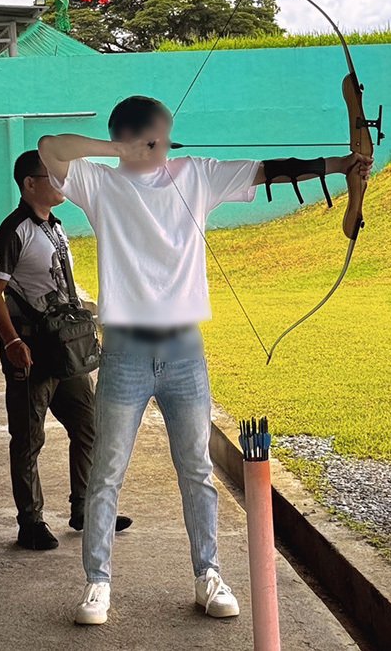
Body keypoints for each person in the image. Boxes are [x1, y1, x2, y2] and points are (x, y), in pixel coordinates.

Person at [39, 96, 372, 624]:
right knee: (106, 472)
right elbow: (49, 148)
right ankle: (97, 583)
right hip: (125, 351)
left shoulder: (195, 174)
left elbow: (271, 170)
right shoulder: (99, 183)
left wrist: (342, 165)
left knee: (196, 469)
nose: (168, 145)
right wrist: (117, 149)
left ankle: (208, 575)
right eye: (158, 136)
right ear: (135, 138)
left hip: (184, 352)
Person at [0, 149, 132, 551]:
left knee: (88, 425)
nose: (62, 181)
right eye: (52, 175)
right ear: (30, 184)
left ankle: (86, 508)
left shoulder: (56, 227)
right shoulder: (13, 232)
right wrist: (12, 342)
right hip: (31, 350)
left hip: (65, 349)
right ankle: (30, 522)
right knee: (28, 438)